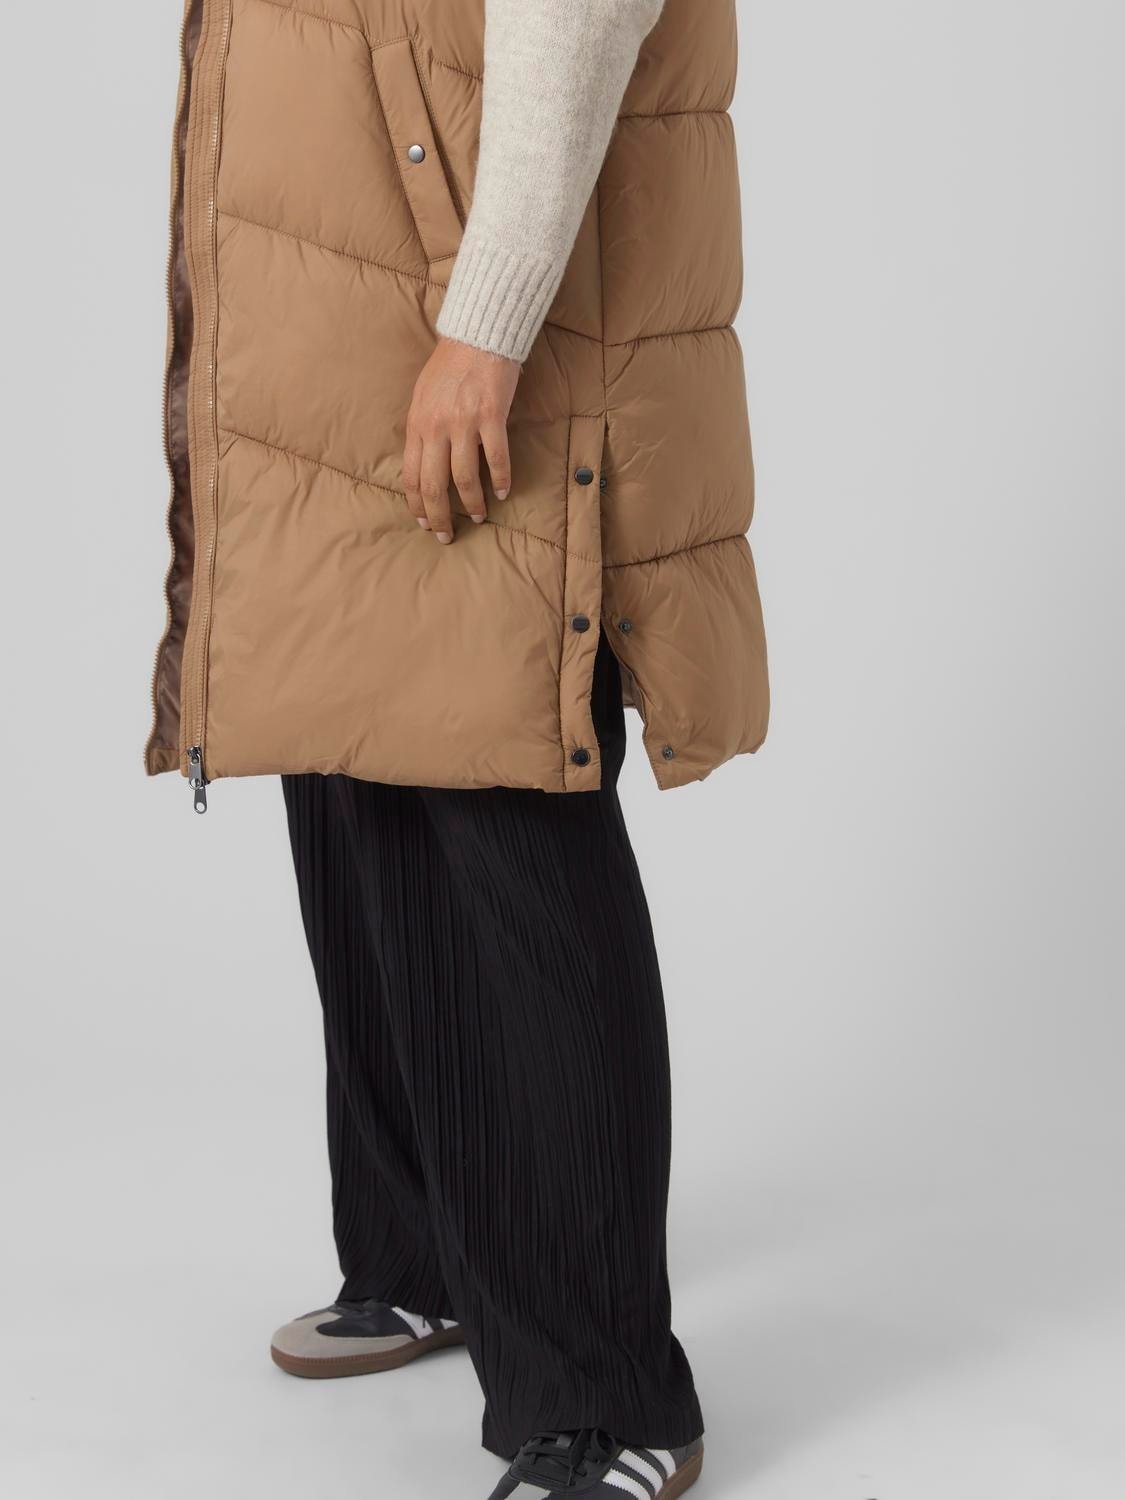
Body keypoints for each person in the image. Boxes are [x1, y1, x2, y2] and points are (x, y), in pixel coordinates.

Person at [146, 2, 768, 1496]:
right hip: (338, 315)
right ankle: (424, 1253)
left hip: (472, 323)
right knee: (354, 768)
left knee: (506, 812)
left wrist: (484, 328)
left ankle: (609, 1394)